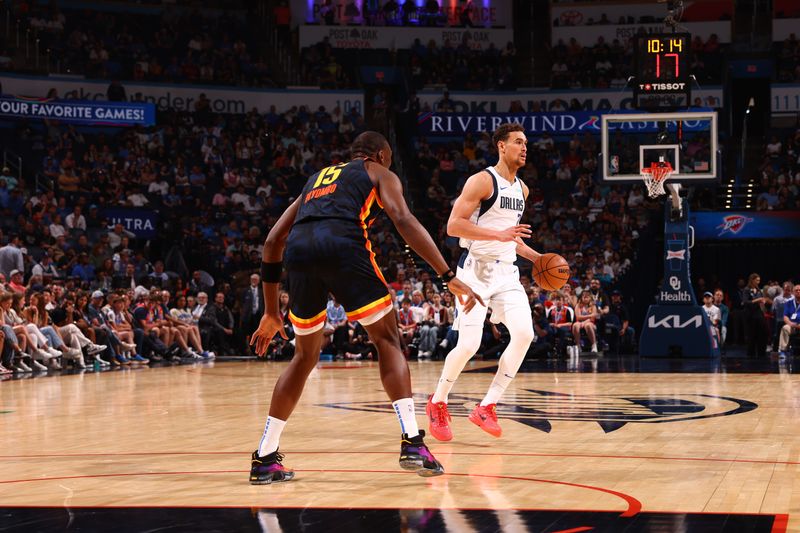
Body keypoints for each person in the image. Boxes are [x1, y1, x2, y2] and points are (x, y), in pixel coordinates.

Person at [248, 131, 481, 484]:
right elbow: (403, 219)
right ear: (382, 156)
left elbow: (271, 241)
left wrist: (270, 311)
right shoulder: (377, 172)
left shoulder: (315, 180)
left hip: (299, 252)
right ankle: (412, 442)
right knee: (387, 341)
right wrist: (446, 274)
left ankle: (265, 456)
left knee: (303, 357)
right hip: (342, 244)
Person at [426, 123, 539, 442]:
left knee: (524, 334)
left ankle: (487, 406)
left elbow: (511, 239)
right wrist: (497, 235)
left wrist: (539, 258)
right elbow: (453, 226)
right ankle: (437, 402)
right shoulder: (482, 181)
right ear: (501, 146)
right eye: (518, 141)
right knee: (469, 344)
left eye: (526, 142)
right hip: (475, 272)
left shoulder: (522, 190)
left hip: (507, 272)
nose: (524, 147)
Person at [741, 273, 769, 358]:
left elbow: (761, 301)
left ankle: (761, 353)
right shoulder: (747, 289)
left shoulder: (759, 290)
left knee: (762, 333)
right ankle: (751, 354)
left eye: (759, 280)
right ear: (752, 280)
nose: (758, 282)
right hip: (750, 315)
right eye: (757, 280)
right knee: (752, 335)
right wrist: (758, 300)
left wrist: (763, 301)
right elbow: (745, 302)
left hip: (759, 314)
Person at [778, 284, 800, 358]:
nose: (798, 291)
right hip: (792, 325)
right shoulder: (789, 303)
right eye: (796, 290)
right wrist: (791, 324)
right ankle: (783, 351)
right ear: (793, 292)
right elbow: (785, 316)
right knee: (785, 328)